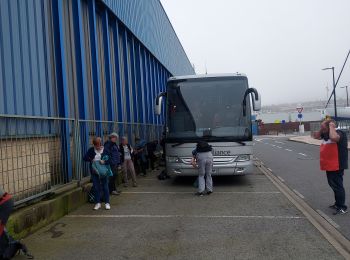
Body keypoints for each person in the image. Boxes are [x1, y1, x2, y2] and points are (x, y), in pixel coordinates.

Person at [313, 119, 348, 215]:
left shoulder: (339, 133)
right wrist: (322, 128)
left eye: (324, 128)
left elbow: (334, 138)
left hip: (337, 164)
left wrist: (331, 126)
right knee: (332, 184)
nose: (322, 130)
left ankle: (342, 207)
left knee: (337, 185)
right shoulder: (326, 133)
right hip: (330, 164)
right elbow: (316, 136)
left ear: (331, 127)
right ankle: (337, 204)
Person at [83, 137, 111, 210]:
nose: (97, 147)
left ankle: (107, 203)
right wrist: (91, 159)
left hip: (103, 171)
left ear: (100, 144)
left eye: (98, 145)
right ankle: (97, 203)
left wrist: (104, 162)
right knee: (96, 187)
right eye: (95, 145)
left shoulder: (105, 150)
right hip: (94, 171)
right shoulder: (91, 150)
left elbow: (110, 159)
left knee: (105, 186)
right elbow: (85, 158)